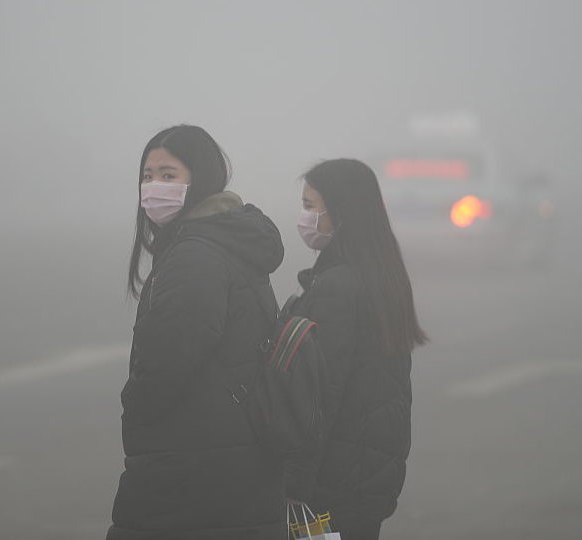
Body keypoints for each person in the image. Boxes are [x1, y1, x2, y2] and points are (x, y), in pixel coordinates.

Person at [107, 125, 286, 540]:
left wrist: (134, 406)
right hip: (228, 459)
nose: (153, 187)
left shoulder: (195, 256)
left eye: (168, 175)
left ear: (200, 179)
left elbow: (172, 360)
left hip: (191, 469)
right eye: (147, 176)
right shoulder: (220, 243)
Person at [284, 158, 427, 540]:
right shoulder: (380, 277)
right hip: (365, 478)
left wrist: (293, 484)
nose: (305, 217)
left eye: (312, 206)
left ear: (343, 212)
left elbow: (317, 397)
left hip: (329, 487)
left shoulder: (338, 288)